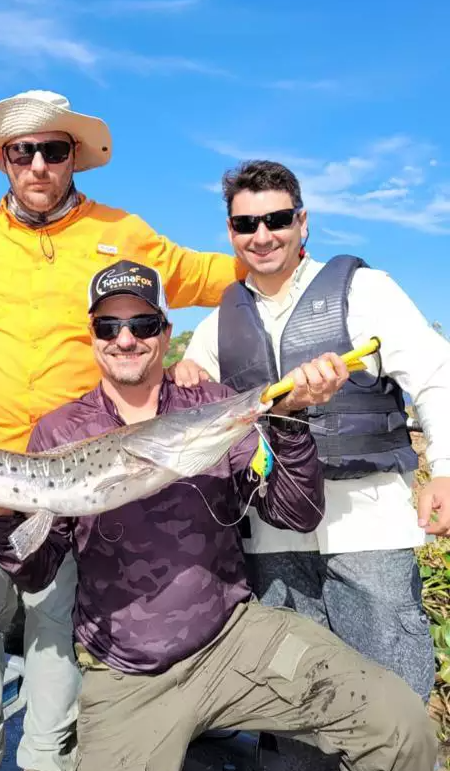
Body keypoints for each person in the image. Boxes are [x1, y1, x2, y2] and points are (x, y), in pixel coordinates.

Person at [0, 260, 437, 771]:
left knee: (400, 725)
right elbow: (38, 570)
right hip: (128, 675)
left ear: (165, 333)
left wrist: (290, 420)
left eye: (143, 324)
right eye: (110, 326)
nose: (126, 339)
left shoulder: (210, 406)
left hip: (234, 643)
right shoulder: (60, 431)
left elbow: (297, 513)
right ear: (93, 336)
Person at [0, 90, 246, 771]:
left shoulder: (124, 230)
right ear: (3, 161)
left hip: (80, 475)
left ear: (75, 156)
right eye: (24, 151)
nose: (39, 163)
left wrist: (286, 258)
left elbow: (208, 275)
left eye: (54, 149)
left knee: (54, 633)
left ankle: (47, 761)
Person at [181, 159, 450, 702]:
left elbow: (436, 376)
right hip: (271, 537)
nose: (262, 236)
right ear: (230, 234)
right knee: (293, 701)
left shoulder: (367, 291)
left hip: (369, 528)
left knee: (389, 698)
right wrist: (181, 376)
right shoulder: (215, 327)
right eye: (245, 225)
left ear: (303, 222)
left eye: (277, 219)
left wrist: (444, 471)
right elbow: (184, 419)